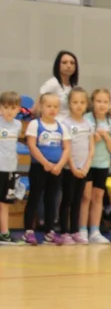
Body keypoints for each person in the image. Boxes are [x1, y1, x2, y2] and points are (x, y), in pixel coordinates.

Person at [23, 93, 70, 245]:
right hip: (39, 167)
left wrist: (59, 165)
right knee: (35, 197)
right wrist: (45, 163)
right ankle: (29, 231)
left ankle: (50, 231)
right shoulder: (35, 125)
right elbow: (31, 145)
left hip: (56, 169)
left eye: (55, 106)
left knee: (52, 199)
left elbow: (67, 148)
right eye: (49, 106)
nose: (52, 109)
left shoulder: (62, 127)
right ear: (42, 107)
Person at [57, 88, 95, 244]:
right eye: (75, 102)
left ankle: (75, 230)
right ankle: (64, 231)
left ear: (86, 104)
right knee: (67, 199)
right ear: (69, 104)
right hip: (69, 169)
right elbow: (67, 147)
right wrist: (72, 167)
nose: (79, 106)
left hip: (84, 168)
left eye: (82, 102)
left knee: (78, 200)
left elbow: (91, 147)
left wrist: (86, 167)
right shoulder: (65, 123)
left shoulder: (88, 123)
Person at [84, 88, 111, 244]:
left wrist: (106, 137)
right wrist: (94, 139)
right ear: (93, 102)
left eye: (105, 102)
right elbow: (80, 143)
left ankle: (95, 230)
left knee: (98, 198)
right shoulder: (86, 120)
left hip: (102, 164)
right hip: (86, 164)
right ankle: (82, 229)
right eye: (99, 101)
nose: (102, 105)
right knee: (85, 197)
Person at [0, 91, 21, 244]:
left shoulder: (18, 125)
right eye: (5, 107)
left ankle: (4, 233)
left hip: (10, 169)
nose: (9, 111)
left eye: (12, 107)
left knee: (5, 203)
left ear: (18, 109)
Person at [38, 50, 78, 118]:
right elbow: (38, 108)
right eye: (64, 62)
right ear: (58, 65)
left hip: (69, 125)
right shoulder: (52, 83)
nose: (69, 65)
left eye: (72, 63)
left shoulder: (73, 87)